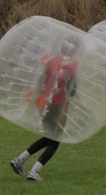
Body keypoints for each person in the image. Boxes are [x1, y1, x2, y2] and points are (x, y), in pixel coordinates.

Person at [10, 53, 79, 182]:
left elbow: (41, 80)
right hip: (59, 106)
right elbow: (72, 90)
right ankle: (34, 171)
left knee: (49, 137)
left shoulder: (52, 60)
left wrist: (37, 96)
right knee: (55, 141)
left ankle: (20, 160)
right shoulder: (71, 66)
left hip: (44, 103)